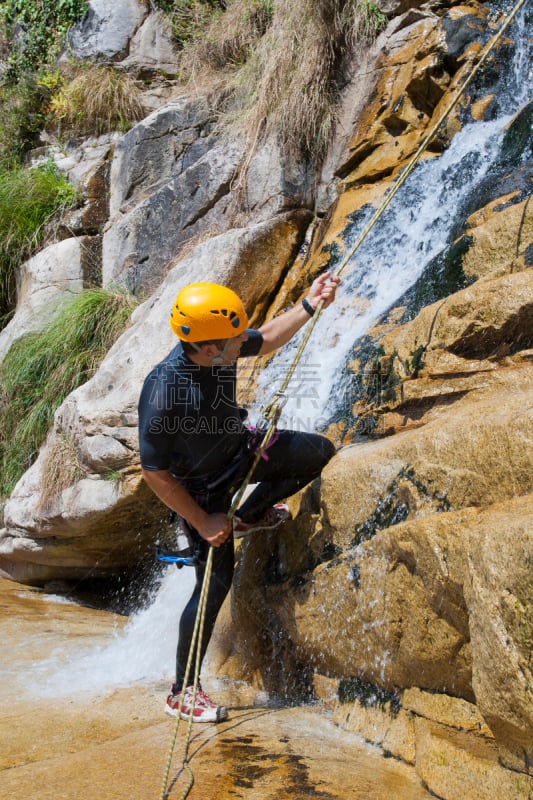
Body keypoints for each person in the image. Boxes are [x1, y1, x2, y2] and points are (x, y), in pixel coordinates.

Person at [138, 273, 339, 722]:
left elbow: (266, 338)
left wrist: (309, 305)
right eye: (232, 339)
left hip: (241, 451)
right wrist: (204, 520)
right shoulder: (164, 390)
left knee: (317, 453)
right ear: (208, 348)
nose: (239, 341)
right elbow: (153, 472)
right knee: (215, 584)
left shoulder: (218, 346)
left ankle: (247, 516)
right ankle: (182, 691)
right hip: (201, 492)